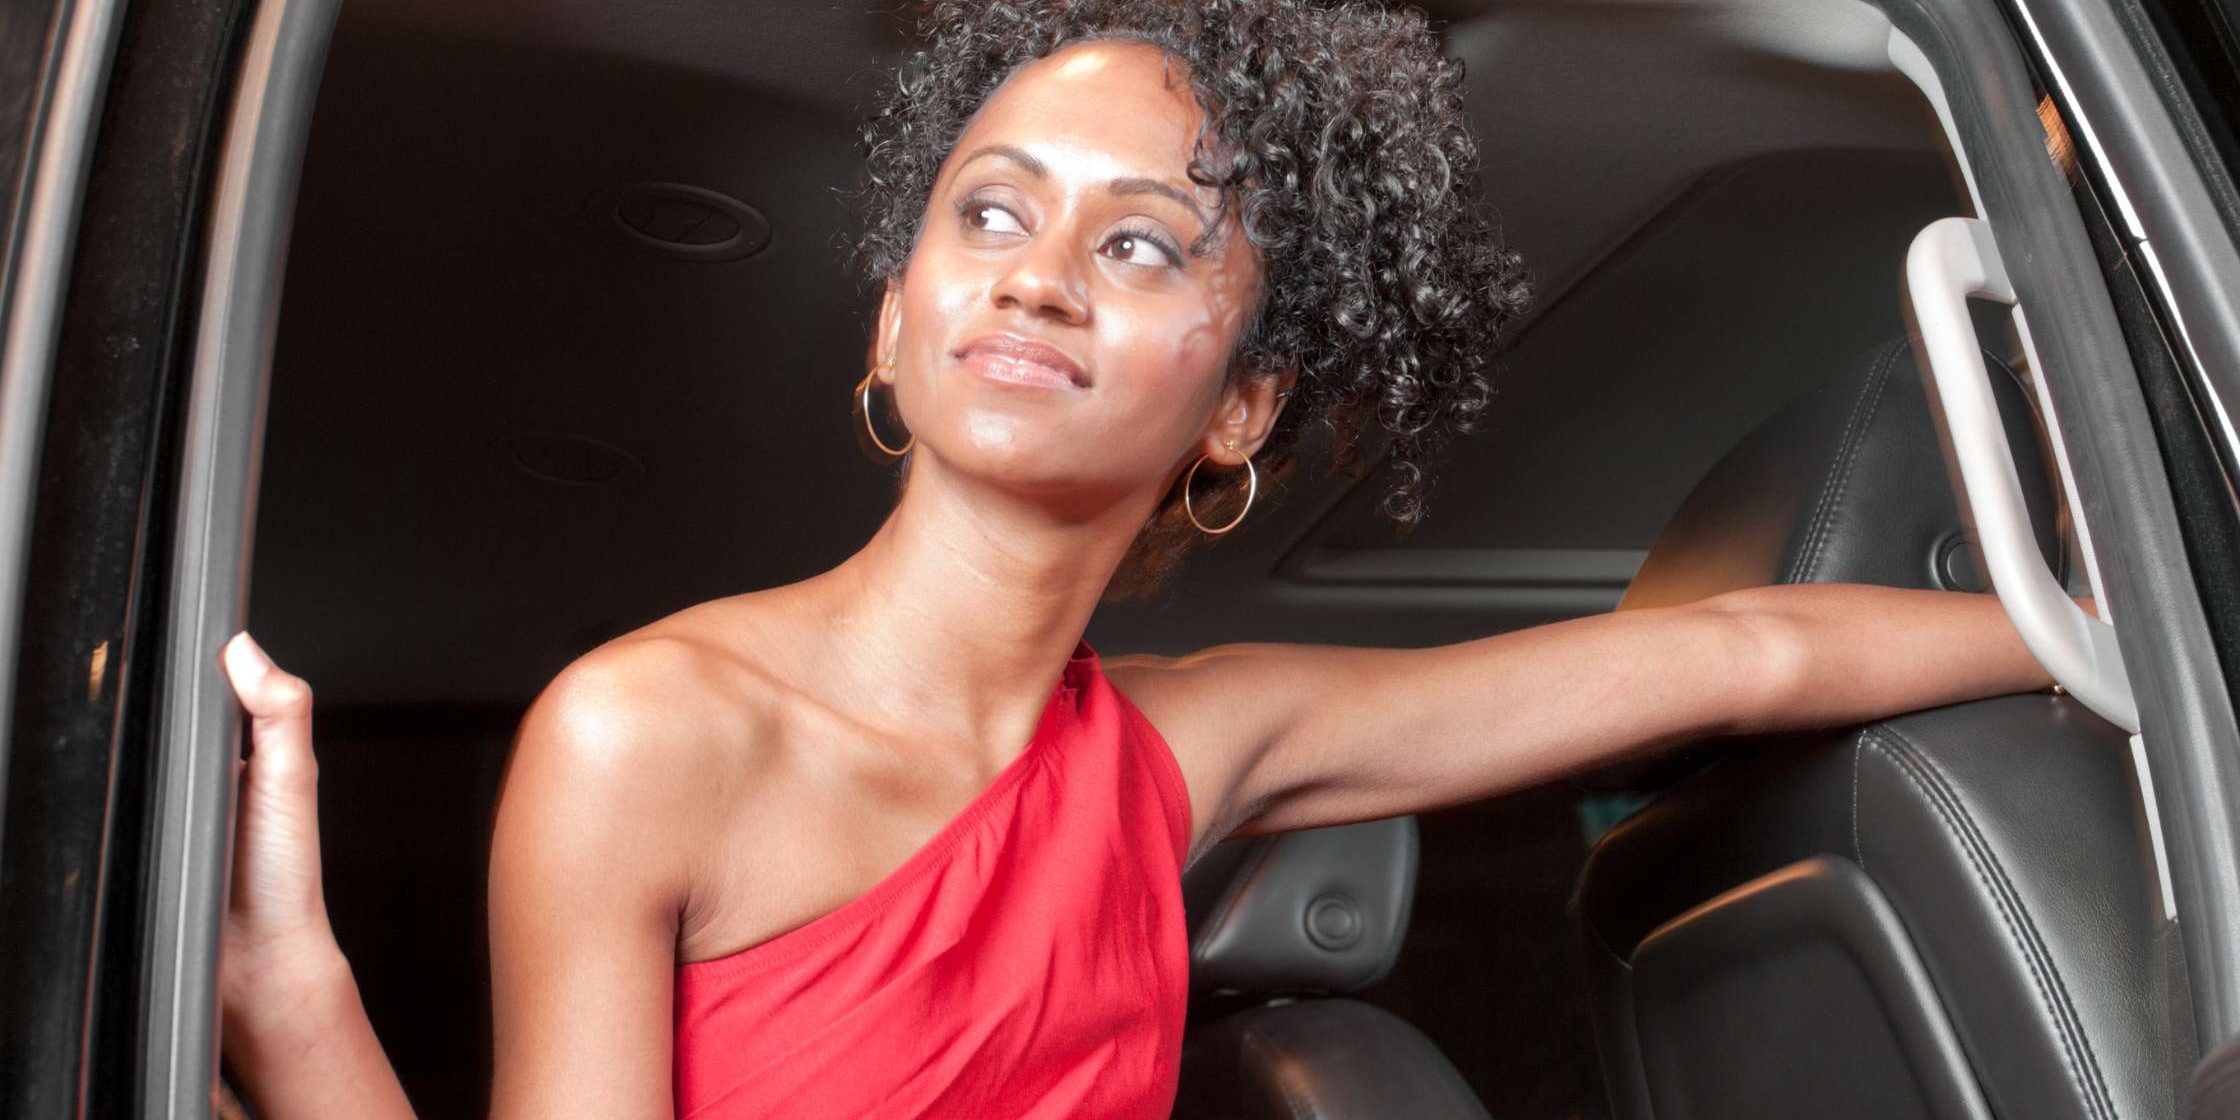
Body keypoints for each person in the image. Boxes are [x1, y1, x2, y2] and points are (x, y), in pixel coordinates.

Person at [216, 2, 2068, 1117]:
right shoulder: (645, 734)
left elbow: (1749, 653)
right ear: (896, 323)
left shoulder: (1199, 746)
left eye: (1139, 245)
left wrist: (2117, 626)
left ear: (1242, 407)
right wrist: (298, 1001)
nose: (1037, 276)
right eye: (991, 215)